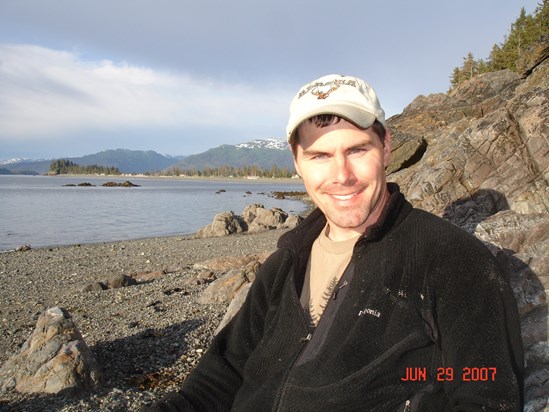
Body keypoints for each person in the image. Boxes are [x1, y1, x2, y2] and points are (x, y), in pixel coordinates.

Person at [145, 74, 524, 411]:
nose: (341, 176)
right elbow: (219, 379)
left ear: (386, 147)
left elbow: (487, 393)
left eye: (357, 150)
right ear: (297, 161)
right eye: (320, 156)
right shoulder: (284, 265)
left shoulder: (451, 259)